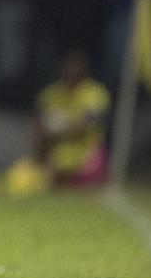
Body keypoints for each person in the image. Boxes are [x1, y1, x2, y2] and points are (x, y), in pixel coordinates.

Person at [33, 50, 110, 187]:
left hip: (86, 154)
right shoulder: (50, 94)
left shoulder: (95, 93)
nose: (70, 73)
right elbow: (38, 126)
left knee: (86, 182)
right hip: (56, 153)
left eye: (75, 71)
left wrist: (57, 130)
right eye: (67, 70)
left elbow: (83, 125)